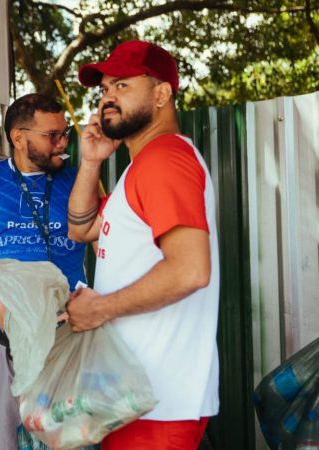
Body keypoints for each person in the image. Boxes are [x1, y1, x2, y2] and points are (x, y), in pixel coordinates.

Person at [66, 40, 220, 449]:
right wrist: (92, 161)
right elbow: (81, 230)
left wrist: (99, 309)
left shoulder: (164, 159)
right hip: (133, 398)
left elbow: (190, 269)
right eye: (103, 90)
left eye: (121, 85)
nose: (107, 98)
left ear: (161, 94)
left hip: (159, 404)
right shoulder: (141, 166)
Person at [0, 93, 87, 450]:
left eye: (64, 133)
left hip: (66, 344)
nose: (62, 143)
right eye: (51, 135)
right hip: (3, 344)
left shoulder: (78, 179)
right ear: (18, 137)